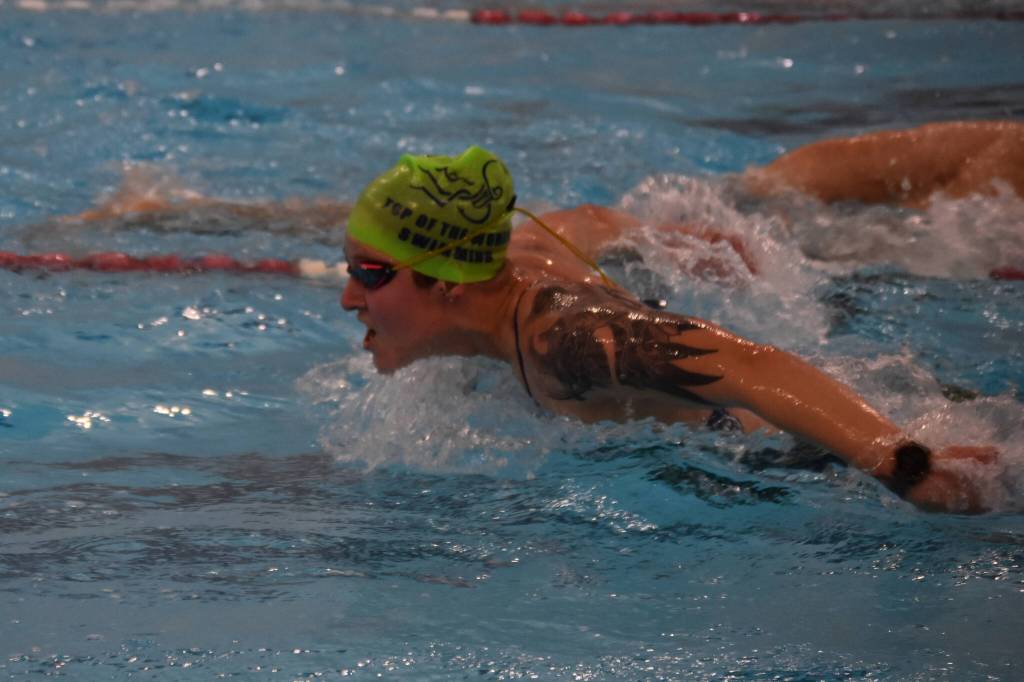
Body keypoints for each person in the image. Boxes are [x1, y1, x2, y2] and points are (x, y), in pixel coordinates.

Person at [70, 121, 1022, 511]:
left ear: (447, 285)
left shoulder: (567, 342)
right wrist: (663, 232)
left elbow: (754, 368)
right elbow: (585, 222)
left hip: (804, 445)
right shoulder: (508, 256)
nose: (348, 297)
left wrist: (901, 459)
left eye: (369, 272)